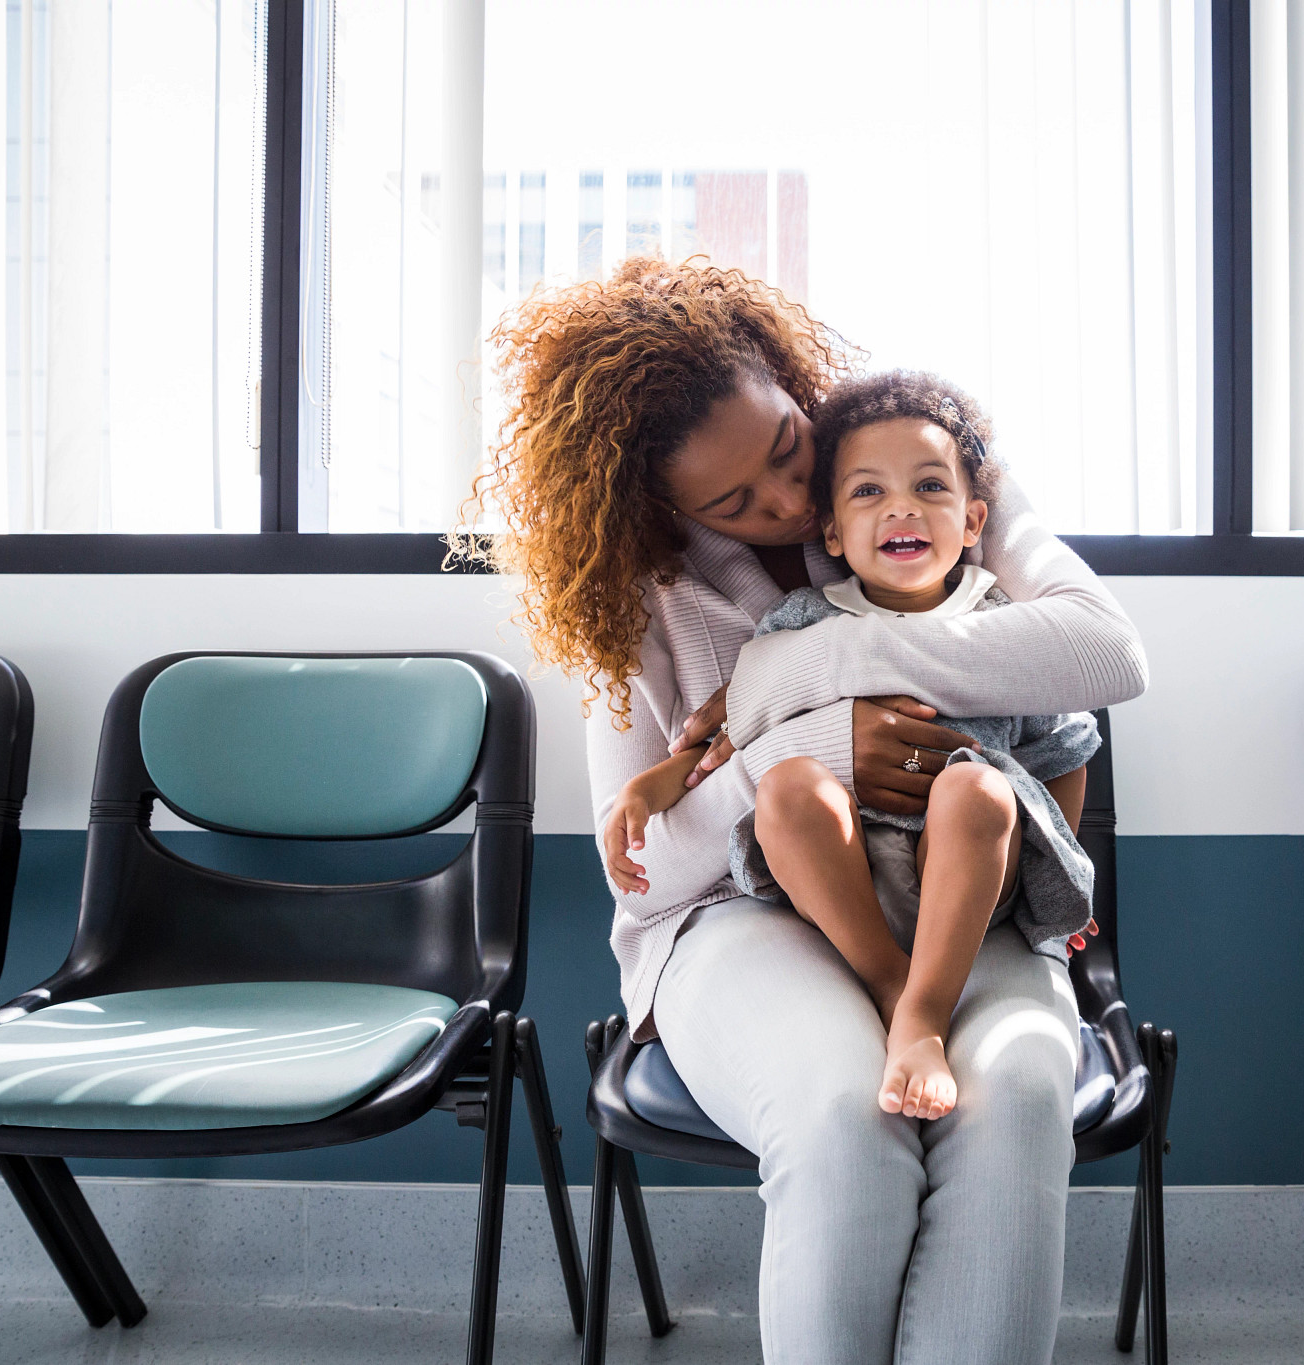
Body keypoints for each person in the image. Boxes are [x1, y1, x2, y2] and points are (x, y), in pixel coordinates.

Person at [463, 257, 1148, 1365]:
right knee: (844, 1118)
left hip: (953, 894)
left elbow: (1104, 657)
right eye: (732, 502)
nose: (784, 502)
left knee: (1018, 1096)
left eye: (787, 451)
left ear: (794, 388)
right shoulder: (638, 593)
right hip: (731, 919)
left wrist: (805, 666)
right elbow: (648, 865)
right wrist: (817, 745)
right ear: (664, 509)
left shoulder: (920, 478)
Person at [607, 371, 1102, 1123]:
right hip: (840, 880)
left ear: (974, 520)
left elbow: (1064, 747)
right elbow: (731, 731)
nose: (901, 505)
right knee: (790, 783)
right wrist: (653, 786)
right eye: (868, 493)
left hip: (964, 871)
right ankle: (890, 987)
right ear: (835, 533)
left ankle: (924, 1016)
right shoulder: (802, 619)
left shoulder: (1001, 614)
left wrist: (1057, 871)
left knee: (974, 789)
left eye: (928, 488)